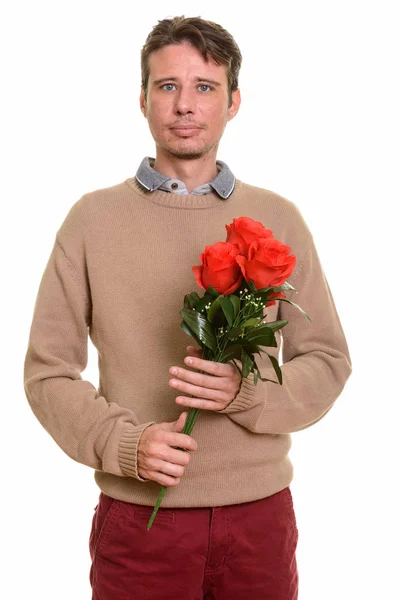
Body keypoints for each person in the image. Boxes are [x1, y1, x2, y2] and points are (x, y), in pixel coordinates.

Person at [23, 15, 352, 600]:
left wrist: (246, 393)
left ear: (233, 102)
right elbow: (48, 371)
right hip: (141, 515)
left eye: (205, 87)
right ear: (143, 100)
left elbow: (327, 361)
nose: (184, 104)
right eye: (167, 86)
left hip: (259, 520)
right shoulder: (91, 220)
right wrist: (123, 444)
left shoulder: (279, 219)